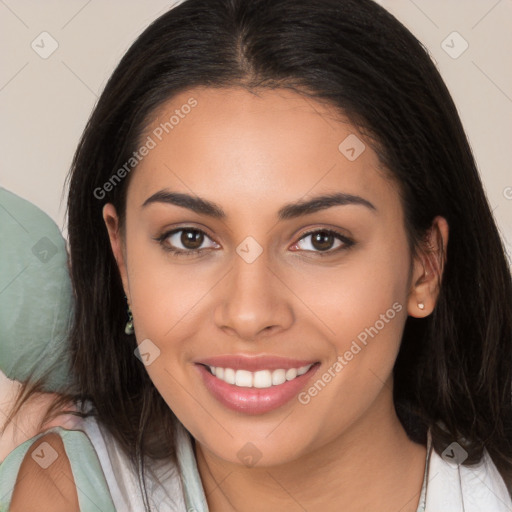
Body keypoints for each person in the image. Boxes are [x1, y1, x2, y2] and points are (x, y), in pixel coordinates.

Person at [1, 0, 511, 510]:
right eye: (190, 238)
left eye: (321, 240)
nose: (249, 314)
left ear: (425, 267)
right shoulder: (66, 487)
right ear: (122, 257)